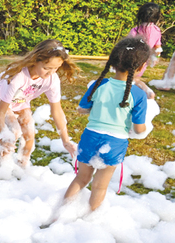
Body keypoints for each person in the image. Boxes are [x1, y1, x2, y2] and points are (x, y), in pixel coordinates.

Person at [62, 37, 150, 212]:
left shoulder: (99, 84)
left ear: (113, 63)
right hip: (115, 143)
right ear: (140, 67)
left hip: (90, 136)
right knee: (100, 186)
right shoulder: (139, 95)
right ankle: (90, 217)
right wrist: (145, 129)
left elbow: (82, 109)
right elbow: (139, 129)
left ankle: (60, 211)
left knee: (81, 179)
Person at [0, 39, 78, 167]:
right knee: (13, 131)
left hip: (20, 99)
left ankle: (23, 165)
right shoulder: (17, 77)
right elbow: (1, 112)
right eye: (46, 68)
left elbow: (56, 110)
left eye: (56, 68)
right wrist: (2, 134)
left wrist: (66, 141)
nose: (51, 73)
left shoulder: (52, 79)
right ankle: (1, 168)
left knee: (29, 134)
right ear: (35, 60)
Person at [127, 2, 161, 98]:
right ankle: (148, 92)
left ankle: (142, 93)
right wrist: (156, 57)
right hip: (144, 61)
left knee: (127, 79)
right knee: (136, 79)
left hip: (132, 59)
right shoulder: (157, 30)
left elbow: (126, 46)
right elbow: (158, 48)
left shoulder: (135, 30)